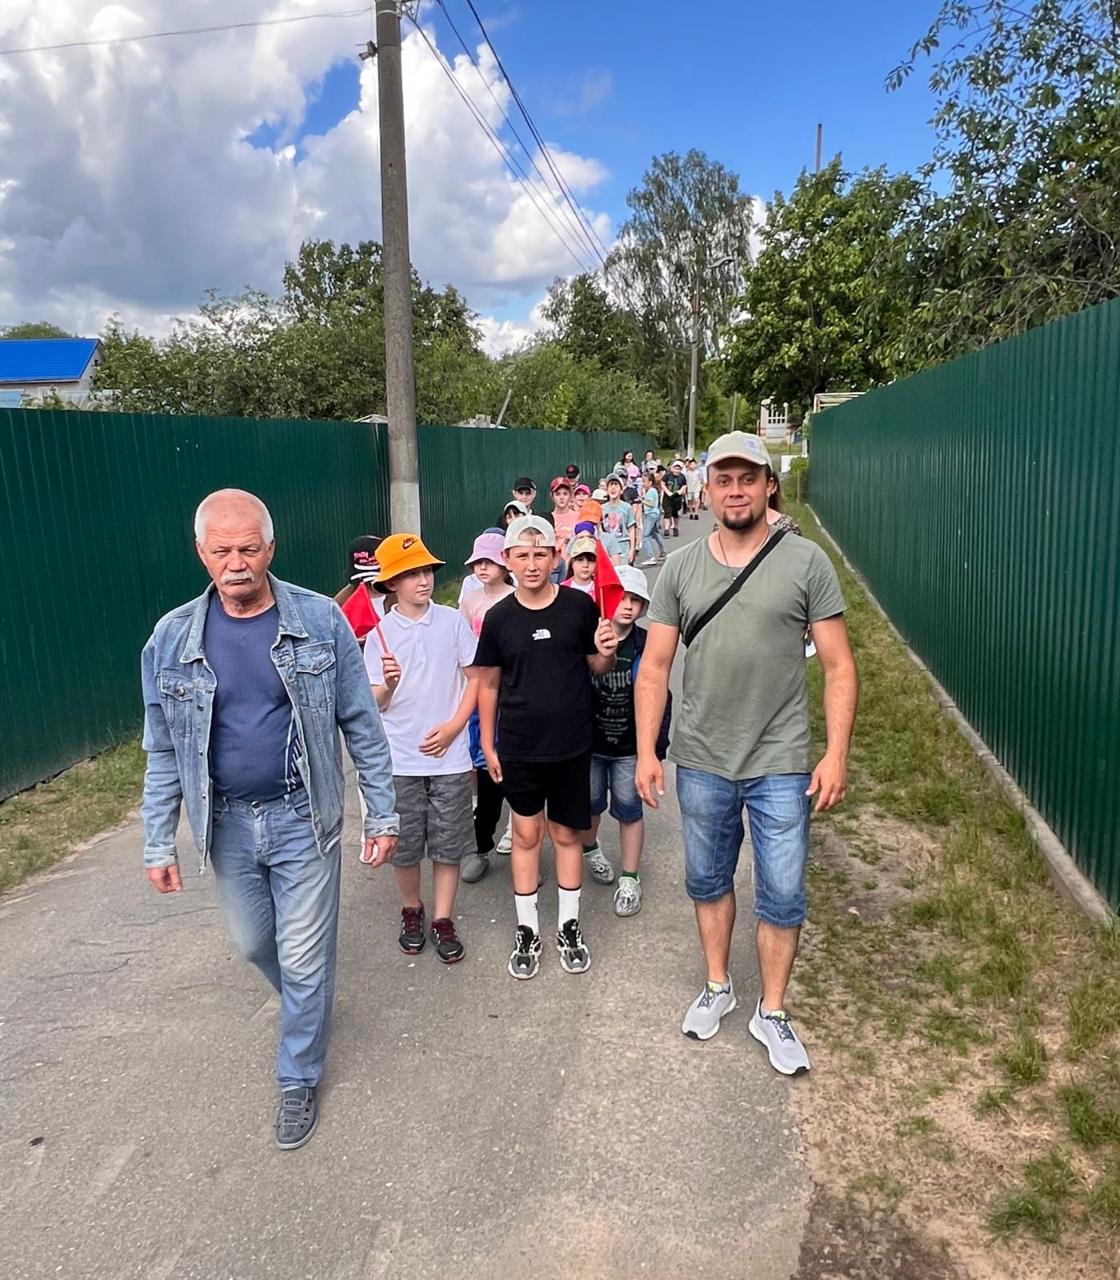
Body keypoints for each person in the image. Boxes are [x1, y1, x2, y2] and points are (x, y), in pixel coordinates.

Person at [140, 488, 398, 1150]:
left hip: (303, 818)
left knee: (305, 958)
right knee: (255, 943)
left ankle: (298, 1075)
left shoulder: (319, 619)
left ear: (271, 549)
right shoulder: (170, 639)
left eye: (249, 549)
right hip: (225, 823)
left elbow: (360, 723)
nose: (237, 563)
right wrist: (157, 840)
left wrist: (381, 812)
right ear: (201, 553)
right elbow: (163, 749)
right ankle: (310, 1006)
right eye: (222, 550)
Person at [634, 431, 858, 1075]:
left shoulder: (807, 562)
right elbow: (655, 667)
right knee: (708, 881)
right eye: (724, 480)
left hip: (781, 761)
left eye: (748, 479)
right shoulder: (681, 568)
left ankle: (773, 1010)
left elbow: (840, 666)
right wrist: (647, 750)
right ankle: (718, 985)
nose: (736, 491)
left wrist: (835, 754)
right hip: (703, 757)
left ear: (768, 486)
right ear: (707, 490)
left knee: (782, 894)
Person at [475, 516, 617, 980]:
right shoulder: (498, 618)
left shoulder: (579, 606)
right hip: (519, 747)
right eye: (522, 555)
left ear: (556, 558)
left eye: (540, 554)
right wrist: (488, 743)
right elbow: (489, 684)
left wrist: (607, 651)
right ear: (507, 560)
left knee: (567, 835)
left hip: (572, 744)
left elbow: (597, 664)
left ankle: (569, 926)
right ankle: (528, 929)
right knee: (525, 835)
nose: (532, 564)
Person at [365, 534, 478, 964]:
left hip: (450, 757)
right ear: (391, 583)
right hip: (400, 759)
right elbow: (374, 703)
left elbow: (476, 679)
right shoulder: (379, 634)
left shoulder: (451, 621)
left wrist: (454, 727)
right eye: (411, 574)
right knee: (406, 844)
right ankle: (411, 909)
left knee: (449, 843)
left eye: (427, 570)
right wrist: (388, 685)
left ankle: (443, 917)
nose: (423, 580)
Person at [579, 566, 671, 908]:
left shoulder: (645, 644)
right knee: (589, 806)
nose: (628, 605)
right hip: (590, 746)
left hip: (630, 748)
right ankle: (591, 849)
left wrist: (655, 748)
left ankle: (630, 878)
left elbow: (661, 696)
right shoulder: (585, 639)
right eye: (620, 597)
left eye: (636, 600)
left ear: (644, 606)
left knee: (630, 810)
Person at [458, 531, 515, 885]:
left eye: (489, 562)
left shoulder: (515, 598)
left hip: (514, 691)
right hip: (479, 689)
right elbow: (462, 644)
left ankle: (520, 838)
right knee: (482, 759)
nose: (482, 568)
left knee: (519, 767)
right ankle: (480, 846)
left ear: (504, 565)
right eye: (477, 562)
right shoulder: (470, 600)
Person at [600, 474, 638, 565]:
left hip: (623, 547)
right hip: (608, 548)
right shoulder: (602, 508)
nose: (613, 488)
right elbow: (600, 529)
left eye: (616, 485)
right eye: (611, 485)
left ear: (621, 490)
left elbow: (631, 529)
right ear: (607, 490)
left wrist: (632, 549)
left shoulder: (627, 507)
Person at [639, 471, 667, 566]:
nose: (643, 483)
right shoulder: (652, 491)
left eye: (644, 481)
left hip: (651, 514)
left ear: (650, 482)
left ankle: (650, 557)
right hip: (654, 514)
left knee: (645, 537)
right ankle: (663, 552)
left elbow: (651, 504)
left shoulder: (651, 491)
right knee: (655, 533)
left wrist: (642, 500)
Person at [662, 461, 686, 536]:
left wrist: (681, 491)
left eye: (678, 469)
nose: (676, 470)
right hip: (668, 496)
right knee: (667, 512)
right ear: (672, 468)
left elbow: (684, 485)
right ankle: (666, 529)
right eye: (675, 468)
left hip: (677, 497)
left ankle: (675, 527)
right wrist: (667, 492)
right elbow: (662, 483)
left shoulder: (682, 477)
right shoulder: (667, 475)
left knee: (675, 513)